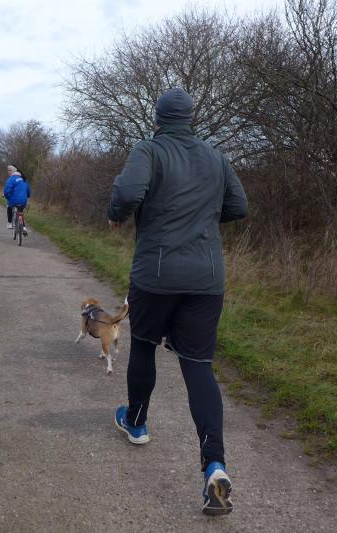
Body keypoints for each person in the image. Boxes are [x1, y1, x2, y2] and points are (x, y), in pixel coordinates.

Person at [107, 88, 247, 515]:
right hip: (206, 278)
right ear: (190, 117)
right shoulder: (215, 156)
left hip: (156, 274)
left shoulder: (149, 150)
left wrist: (116, 214)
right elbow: (238, 205)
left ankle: (136, 422)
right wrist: (204, 217)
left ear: (158, 118)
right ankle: (215, 466)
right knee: (199, 366)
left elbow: (127, 193)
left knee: (144, 345)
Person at [3, 164, 31, 233]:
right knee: (20, 212)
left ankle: (9, 223)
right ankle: (23, 227)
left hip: (13, 200)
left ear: (14, 171)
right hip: (23, 201)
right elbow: (28, 191)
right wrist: (27, 198)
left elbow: (6, 191)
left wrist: (7, 197)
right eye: (8, 170)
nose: (8, 172)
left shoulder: (11, 179)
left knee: (9, 206)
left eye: (10, 170)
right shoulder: (24, 179)